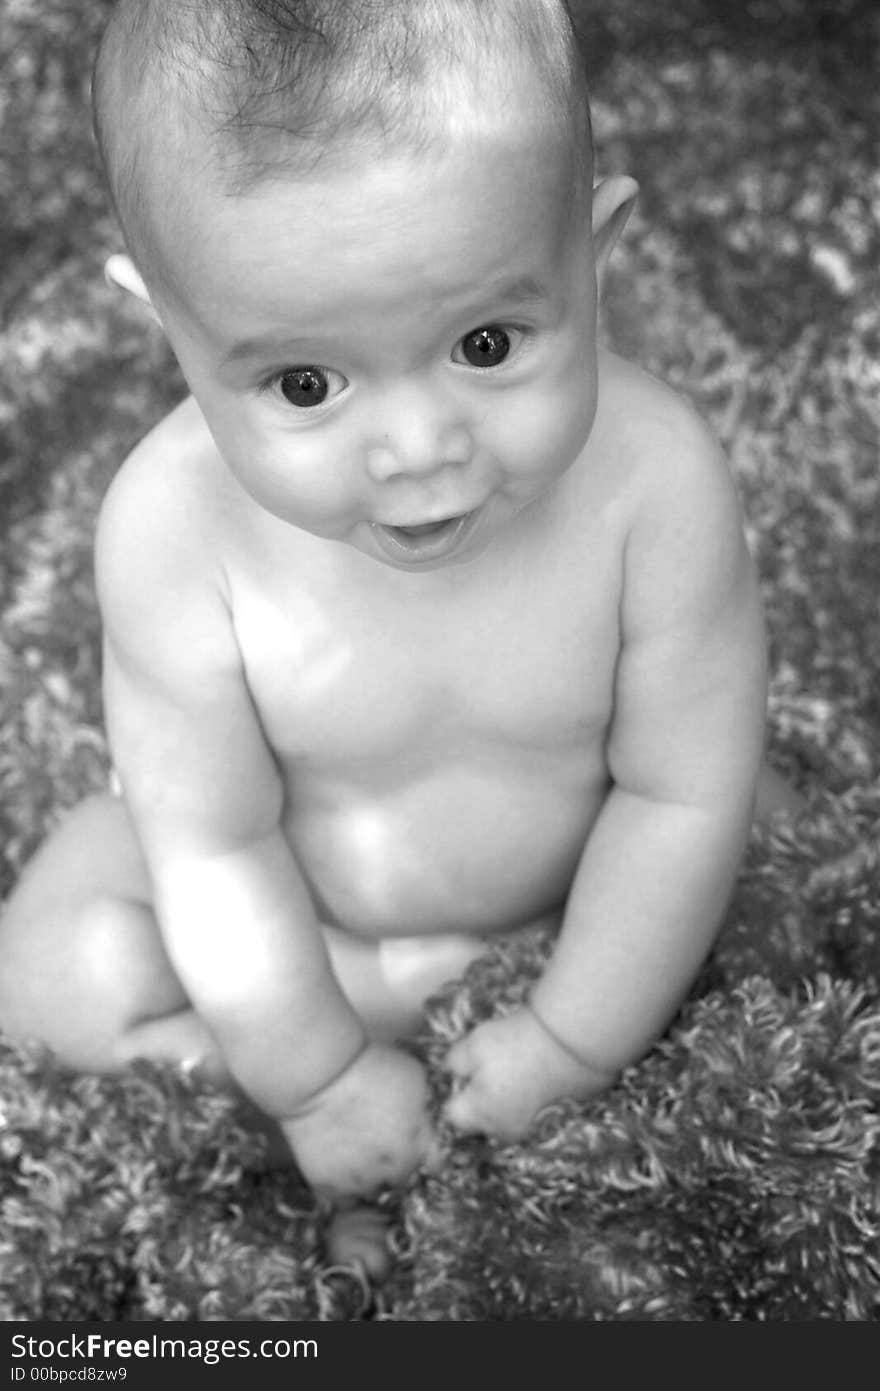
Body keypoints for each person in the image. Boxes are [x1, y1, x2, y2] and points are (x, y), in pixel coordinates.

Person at [0, 0, 797, 1276]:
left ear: (595, 257)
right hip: (316, 936)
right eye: (305, 385)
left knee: (759, 823)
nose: (419, 450)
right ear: (172, 331)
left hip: (589, 902)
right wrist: (310, 1073)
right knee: (47, 964)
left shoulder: (656, 481)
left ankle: (509, 1061)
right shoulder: (168, 529)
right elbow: (212, 837)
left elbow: (675, 791)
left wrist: (573, 1037)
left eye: (487, 343)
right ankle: (342, 1116)